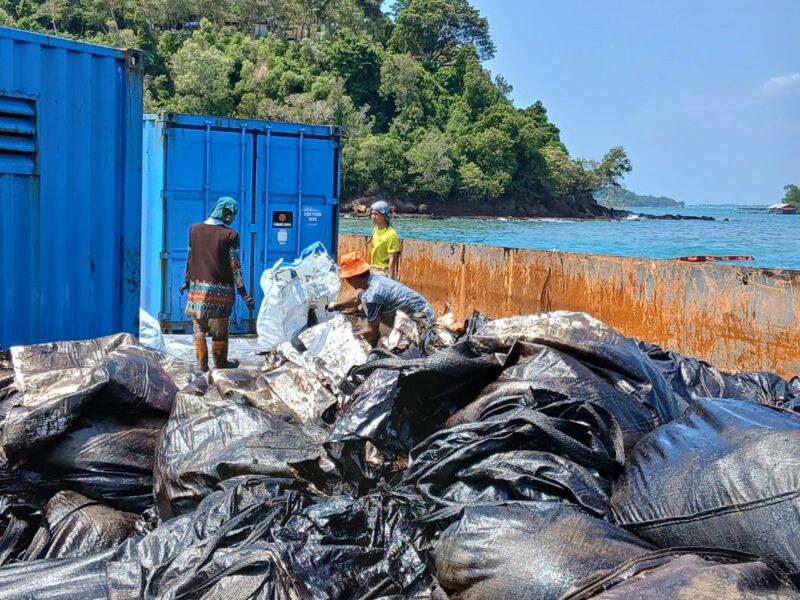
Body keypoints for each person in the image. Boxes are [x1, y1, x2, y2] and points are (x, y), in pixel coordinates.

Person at [179, 196, 255, 371]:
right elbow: (236, 267)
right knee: (220, 332)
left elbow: (190, 259)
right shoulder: (231, 235)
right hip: (221, 294)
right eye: (232, 214)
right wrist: (244, 293)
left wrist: (187, 282)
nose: (234, 218)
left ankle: (202, 366)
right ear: (225, 213)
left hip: (197, 292)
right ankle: (220, 364)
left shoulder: (194, 230)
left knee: (199, 329)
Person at [327, 251, 434, 348]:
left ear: (352, 277)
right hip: (425, 312)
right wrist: (336, 306)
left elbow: (372, 332)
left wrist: (347, 341)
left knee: (398, 349)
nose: (346, 281)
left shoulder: (373, 295)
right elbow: (356, 299)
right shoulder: (373, 279)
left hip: (423, 323)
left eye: (346, 279)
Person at [368, 200, 400, 280]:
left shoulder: (391, 234)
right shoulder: (375, 230)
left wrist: (390, 281)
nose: (373, 216)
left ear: (384, 216)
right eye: (372, 213)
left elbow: (392, 260)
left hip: (384, 273)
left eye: (376, 214)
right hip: (374, 270)